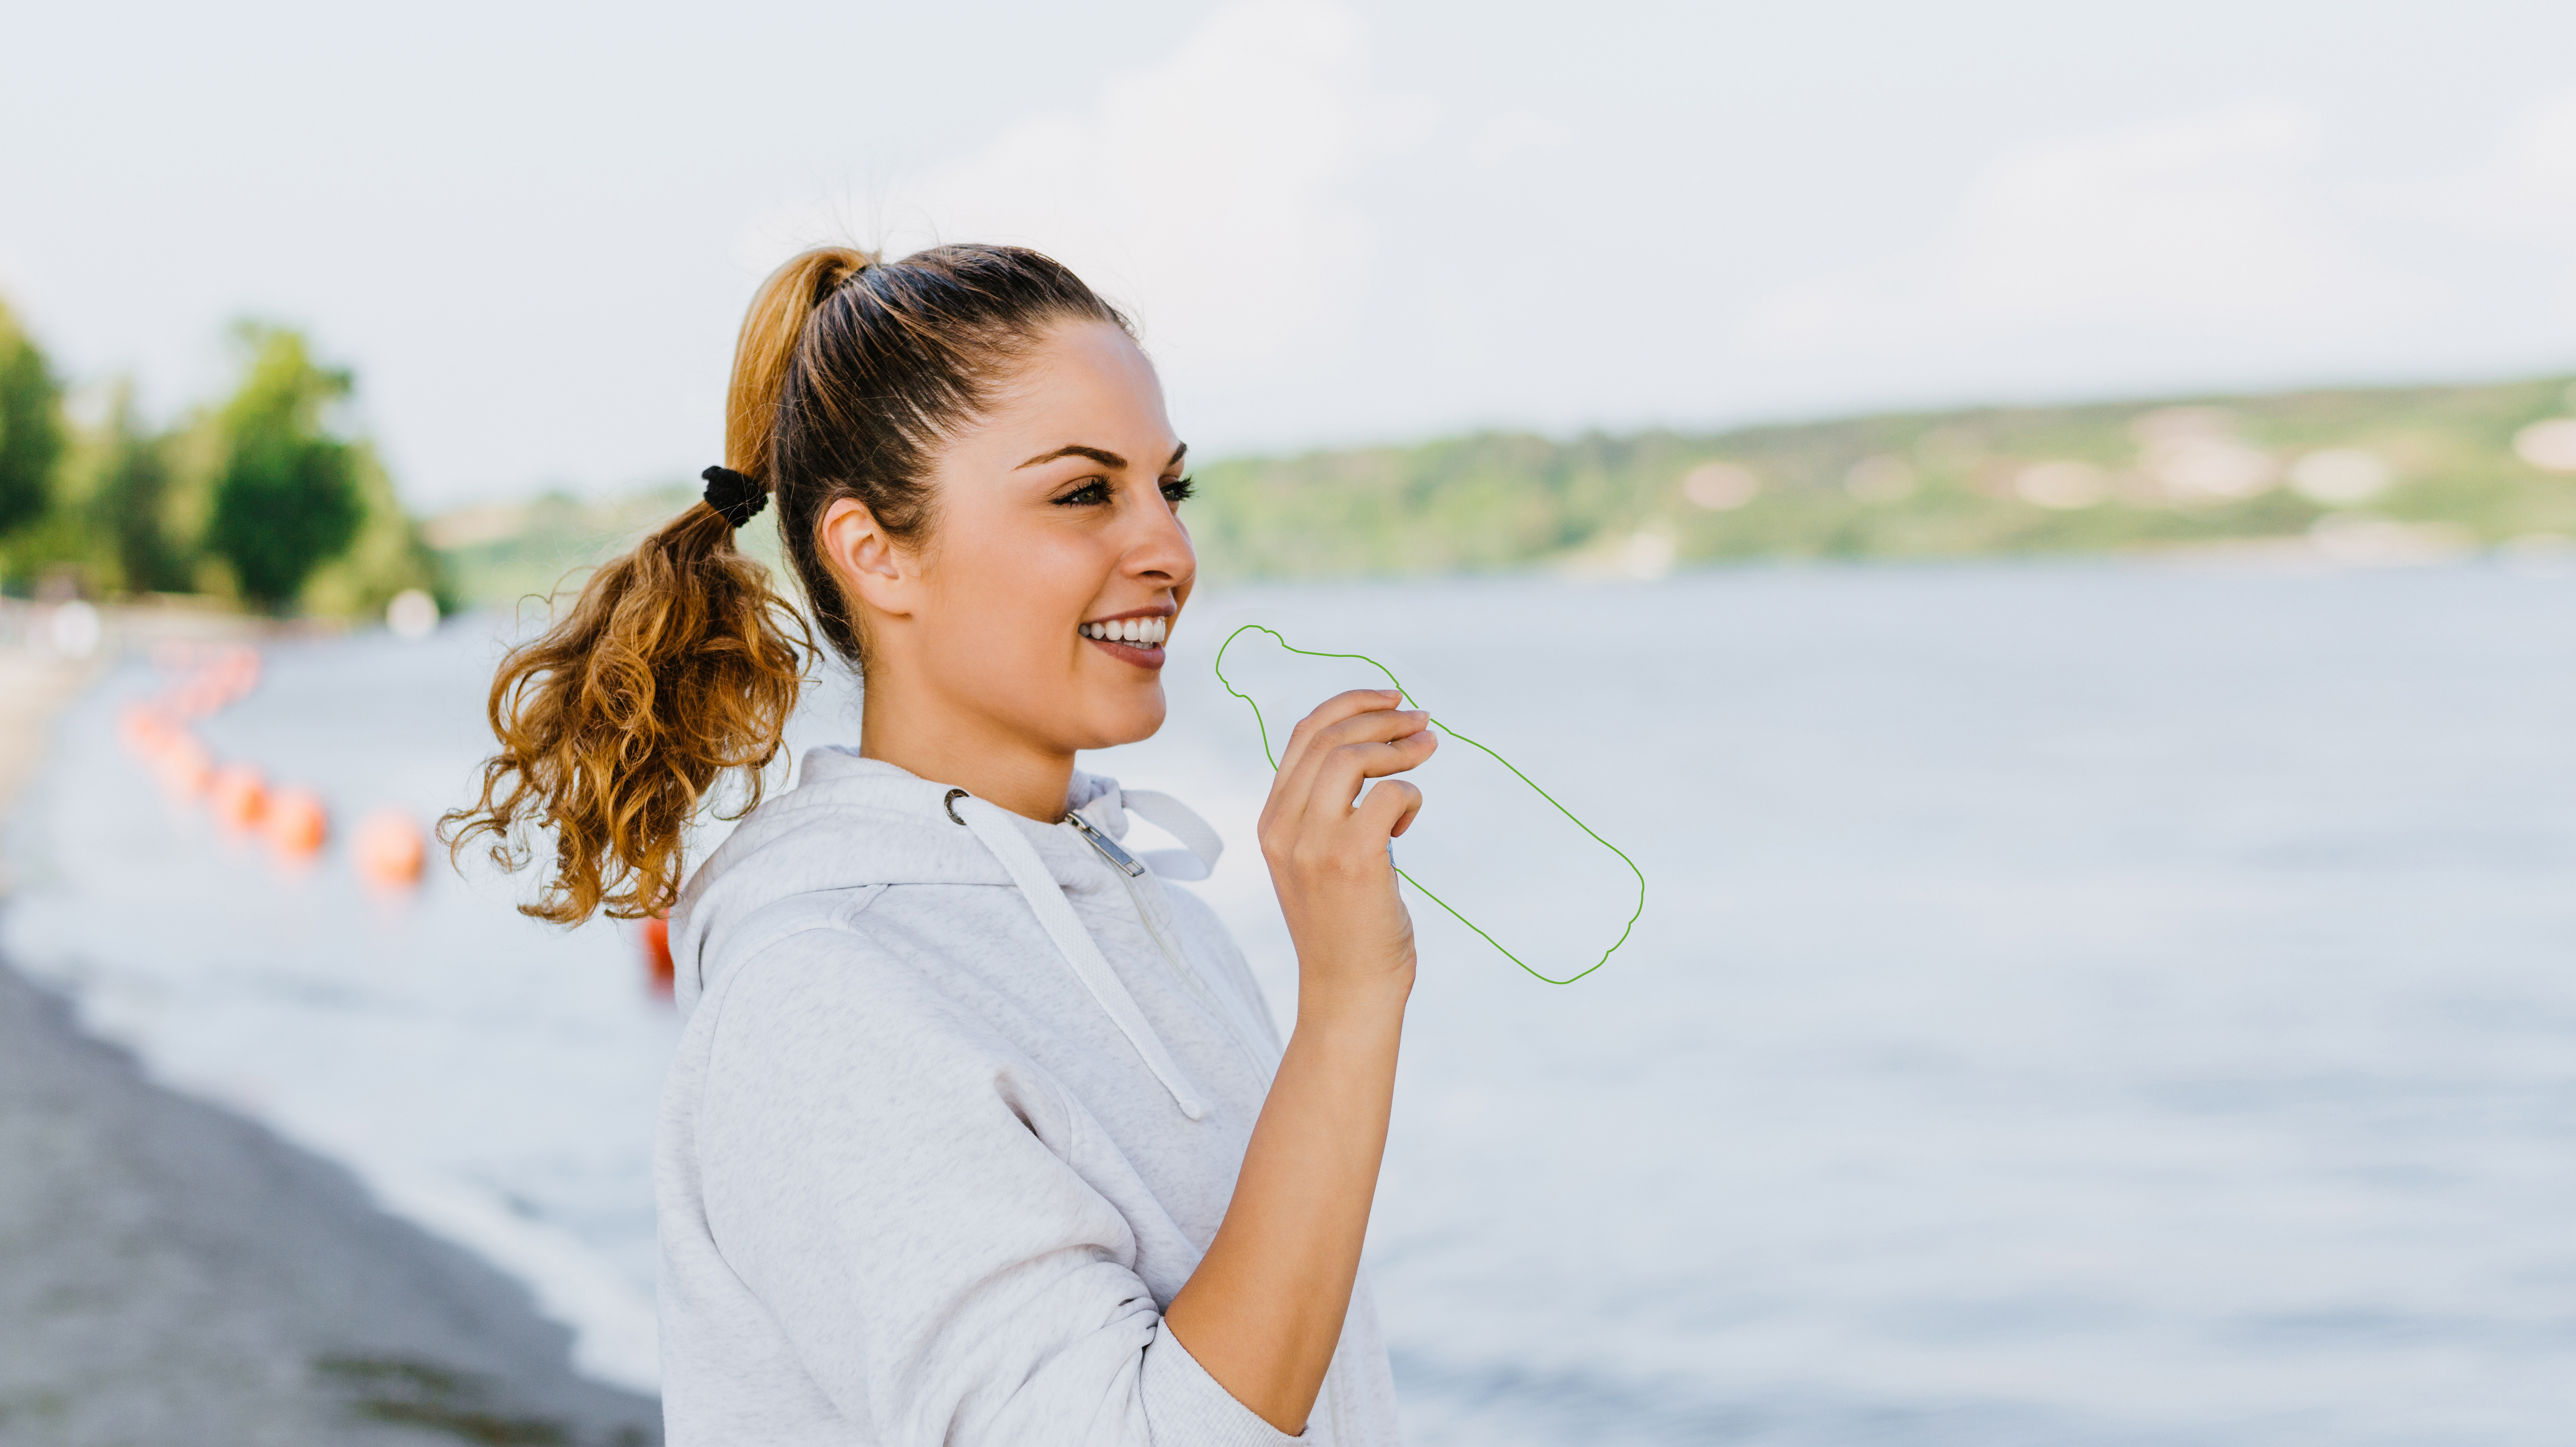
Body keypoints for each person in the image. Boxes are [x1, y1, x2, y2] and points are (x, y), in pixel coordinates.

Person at [446, 244, 1434, 1444]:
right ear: (876, 553)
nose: (1167, 550)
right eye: (1084, 493)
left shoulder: (1157, 916)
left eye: (1169, 491)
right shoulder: (817, 994)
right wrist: (1347, 1000)